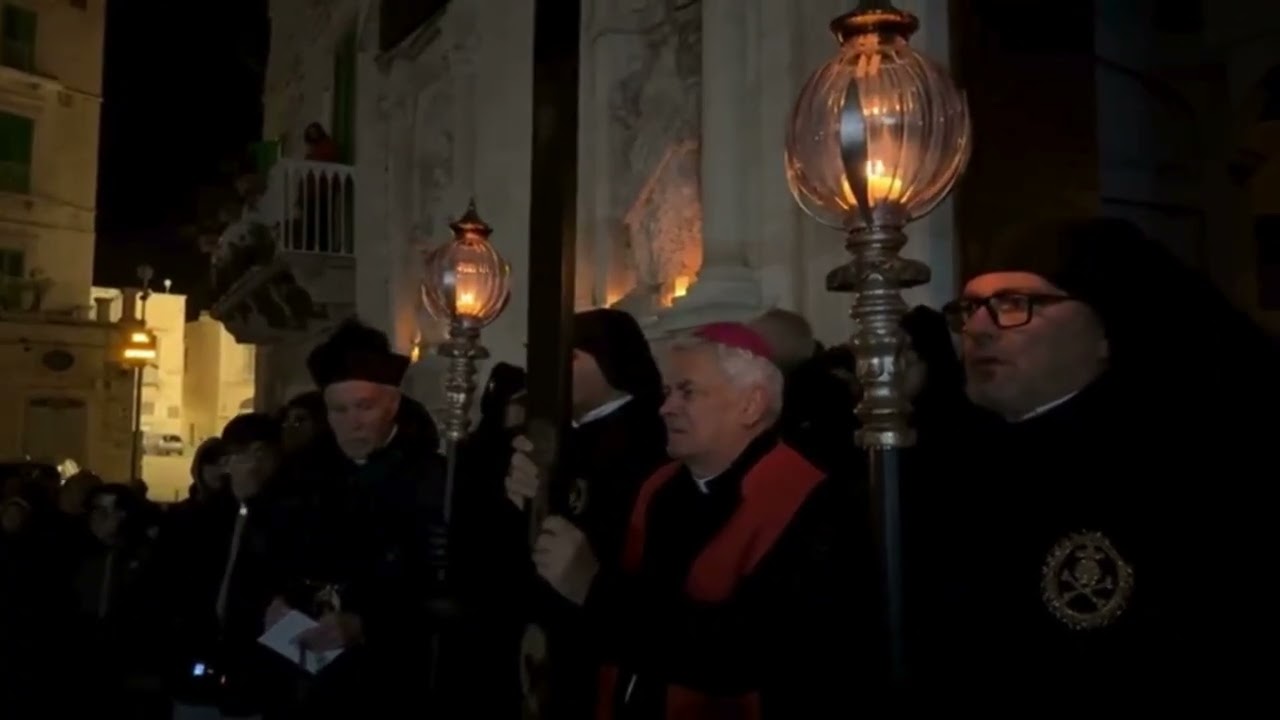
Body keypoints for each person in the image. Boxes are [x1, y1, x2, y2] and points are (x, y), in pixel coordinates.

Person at [910, 216, 1277, 700]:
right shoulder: (939, 462)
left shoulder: (1187, 475)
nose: (978, 329)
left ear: (1107, 331)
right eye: (973, 307)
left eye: (1016, 304)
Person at [533, 322, 871, 718]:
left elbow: (742, 652)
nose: (665, 407)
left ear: (751, 405)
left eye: (687, 391)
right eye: (667, 391)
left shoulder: (810, 501)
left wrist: (592, 587)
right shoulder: (658, 488)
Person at [505, 308, 670, 719]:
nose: (549, 371)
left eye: (571, 357)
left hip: (608, 631)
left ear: (610, 360)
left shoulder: (651, 434)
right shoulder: (550, 433)